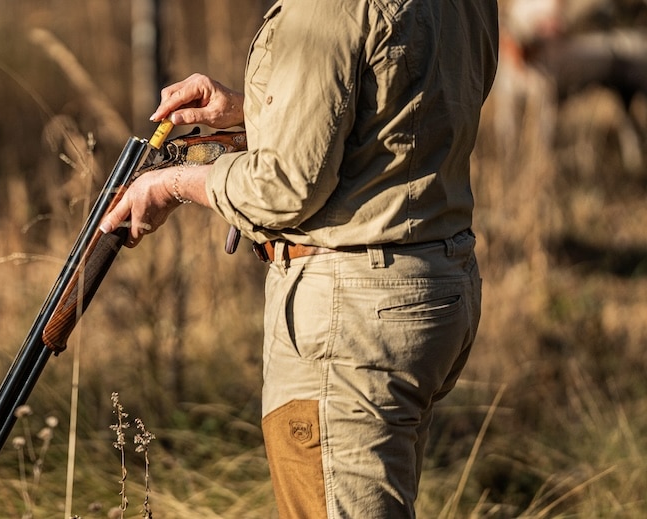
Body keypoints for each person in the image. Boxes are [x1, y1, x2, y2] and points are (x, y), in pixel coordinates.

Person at [99, 0, 499, 516]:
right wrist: (263, 108)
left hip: (351, 318)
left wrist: (172, 183)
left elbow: (282, 188)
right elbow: (409, 106)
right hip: (433, 285)